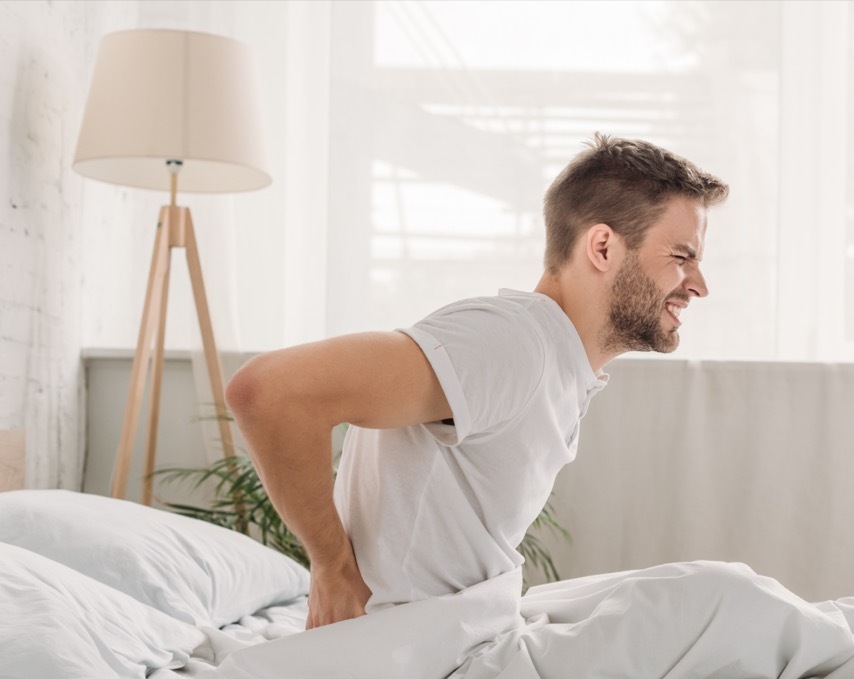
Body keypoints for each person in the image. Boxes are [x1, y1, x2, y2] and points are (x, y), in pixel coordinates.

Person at [225, 134, 730, 629]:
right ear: (602, 247)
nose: (699, 286)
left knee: (701, 600)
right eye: (682, 257)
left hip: (460, 637)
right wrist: (332, 571)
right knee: (722, 599)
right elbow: (269, 392)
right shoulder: (510, 340)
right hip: (409, 659)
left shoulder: (556, 360)